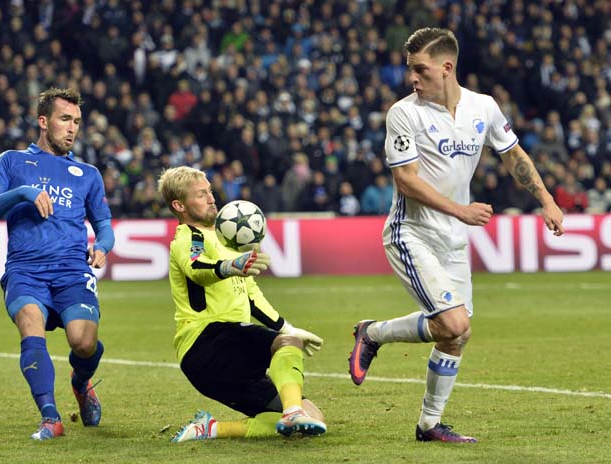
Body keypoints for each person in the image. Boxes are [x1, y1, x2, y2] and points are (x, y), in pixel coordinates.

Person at [348, 28, 564, 443]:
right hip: (411, 233)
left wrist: (546, 200)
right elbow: (406, 181)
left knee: (457, 334)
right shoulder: (404, 113)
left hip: (453, 240)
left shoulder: (483, 107)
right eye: (410, 70)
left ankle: (429, 424)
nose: (412, 78)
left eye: (420, 70)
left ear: (447, 67)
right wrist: (460, 210)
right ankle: (372, 334)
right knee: (452, 321)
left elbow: (514, 155)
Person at [0, 88, 115, 441]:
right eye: (65, 119)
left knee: (83, 343)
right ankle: (50, 417)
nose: (73, 128)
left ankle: (81, 383)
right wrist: (22, 193)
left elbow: (104, 225)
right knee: (30, 328)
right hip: (25, 270)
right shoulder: (12, 161)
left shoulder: (88, 174)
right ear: (43, 121)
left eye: (77, 121)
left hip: (71, 271)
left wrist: (103, 247)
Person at [158, 166, 326, 442]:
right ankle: (292, 411)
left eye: (210, 191)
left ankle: (212, 429)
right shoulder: (189, 236)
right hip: (207, 341)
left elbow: (251, 295)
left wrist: (287, 328)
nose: (211, 198)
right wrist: (229, 265)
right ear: (180, 205)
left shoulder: (225, 238)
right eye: (201, 194)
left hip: (225, 357)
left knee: (314, 418)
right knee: (287, 352)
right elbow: (197, 268)